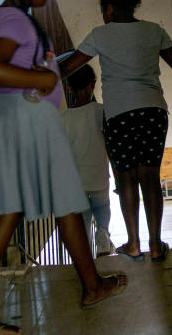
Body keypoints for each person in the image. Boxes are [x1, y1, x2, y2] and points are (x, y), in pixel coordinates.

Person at [0, 0, 126, 335]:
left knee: (51, 207)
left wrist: (45, 72)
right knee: (50, 206)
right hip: (28, 124)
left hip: (24, 122)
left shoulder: (11, 16)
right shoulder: (13, 19)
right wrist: (45, 79)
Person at [61, 0, 172, 263]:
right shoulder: (154, 31)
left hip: (120, 115)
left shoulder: (100, 35)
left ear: (109, 9)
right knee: (150, 176)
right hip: (152, 111)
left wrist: (38, 75)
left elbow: (69, 67)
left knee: (126, 177)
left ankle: (134, 244)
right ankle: (157, 245)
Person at [59, 64, 113, 256]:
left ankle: (86, 250)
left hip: (76, 181)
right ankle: (103, 233)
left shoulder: (63, 118)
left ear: (69, 88)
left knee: (82, 219)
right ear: (93, 84)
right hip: (98, 176)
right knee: (103, 208)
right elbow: (110, 145)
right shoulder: (101, 112)